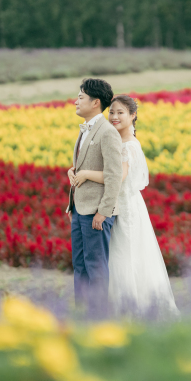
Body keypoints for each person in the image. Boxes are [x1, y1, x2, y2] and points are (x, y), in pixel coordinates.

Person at [74, 94, 179, 317]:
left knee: (124, 256)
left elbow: (118, 176)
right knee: (112, 257)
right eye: (111, 112)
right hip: (113, 204)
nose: (114, 117)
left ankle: (130, 311)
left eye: (120, 112)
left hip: (125, 208)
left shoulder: (128, 145)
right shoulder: (114, 139)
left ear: (133, 116)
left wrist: (85, 174)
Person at [66, 78, 122, 312]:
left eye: (81, 97)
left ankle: (98, 316)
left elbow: (114, 175)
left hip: (96, 213)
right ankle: (81, 313)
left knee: (96, 267)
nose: (76, 101)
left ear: (95, 102)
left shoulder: (107, 132)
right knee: (79, 266)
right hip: (80, 210)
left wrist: (103, 211)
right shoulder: (86, 129)